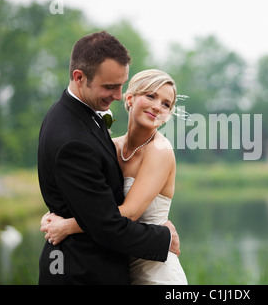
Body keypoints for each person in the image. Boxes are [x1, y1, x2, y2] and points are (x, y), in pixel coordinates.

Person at [37, 31, 179, 285]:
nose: (115, 94)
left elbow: (123, 212)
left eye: (166, 104)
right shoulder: (86, 139)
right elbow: (106, 222)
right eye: (110, 87)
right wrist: (163, 237)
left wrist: (67, 223)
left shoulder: (157, 149)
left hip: (150, 268)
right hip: (86, 273)